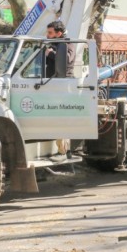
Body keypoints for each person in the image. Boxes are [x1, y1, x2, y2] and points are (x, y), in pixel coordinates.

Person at [45, 20, 76, 160]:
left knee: (60, 118)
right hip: (53, 84)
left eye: (50, 33)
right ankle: (63, 150)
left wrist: (50, 54)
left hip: (63, 85)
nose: (48, 35)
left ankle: (63, 152)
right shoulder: (53, 44)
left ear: (59, 33)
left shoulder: (67, 44)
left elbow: (66, 60)